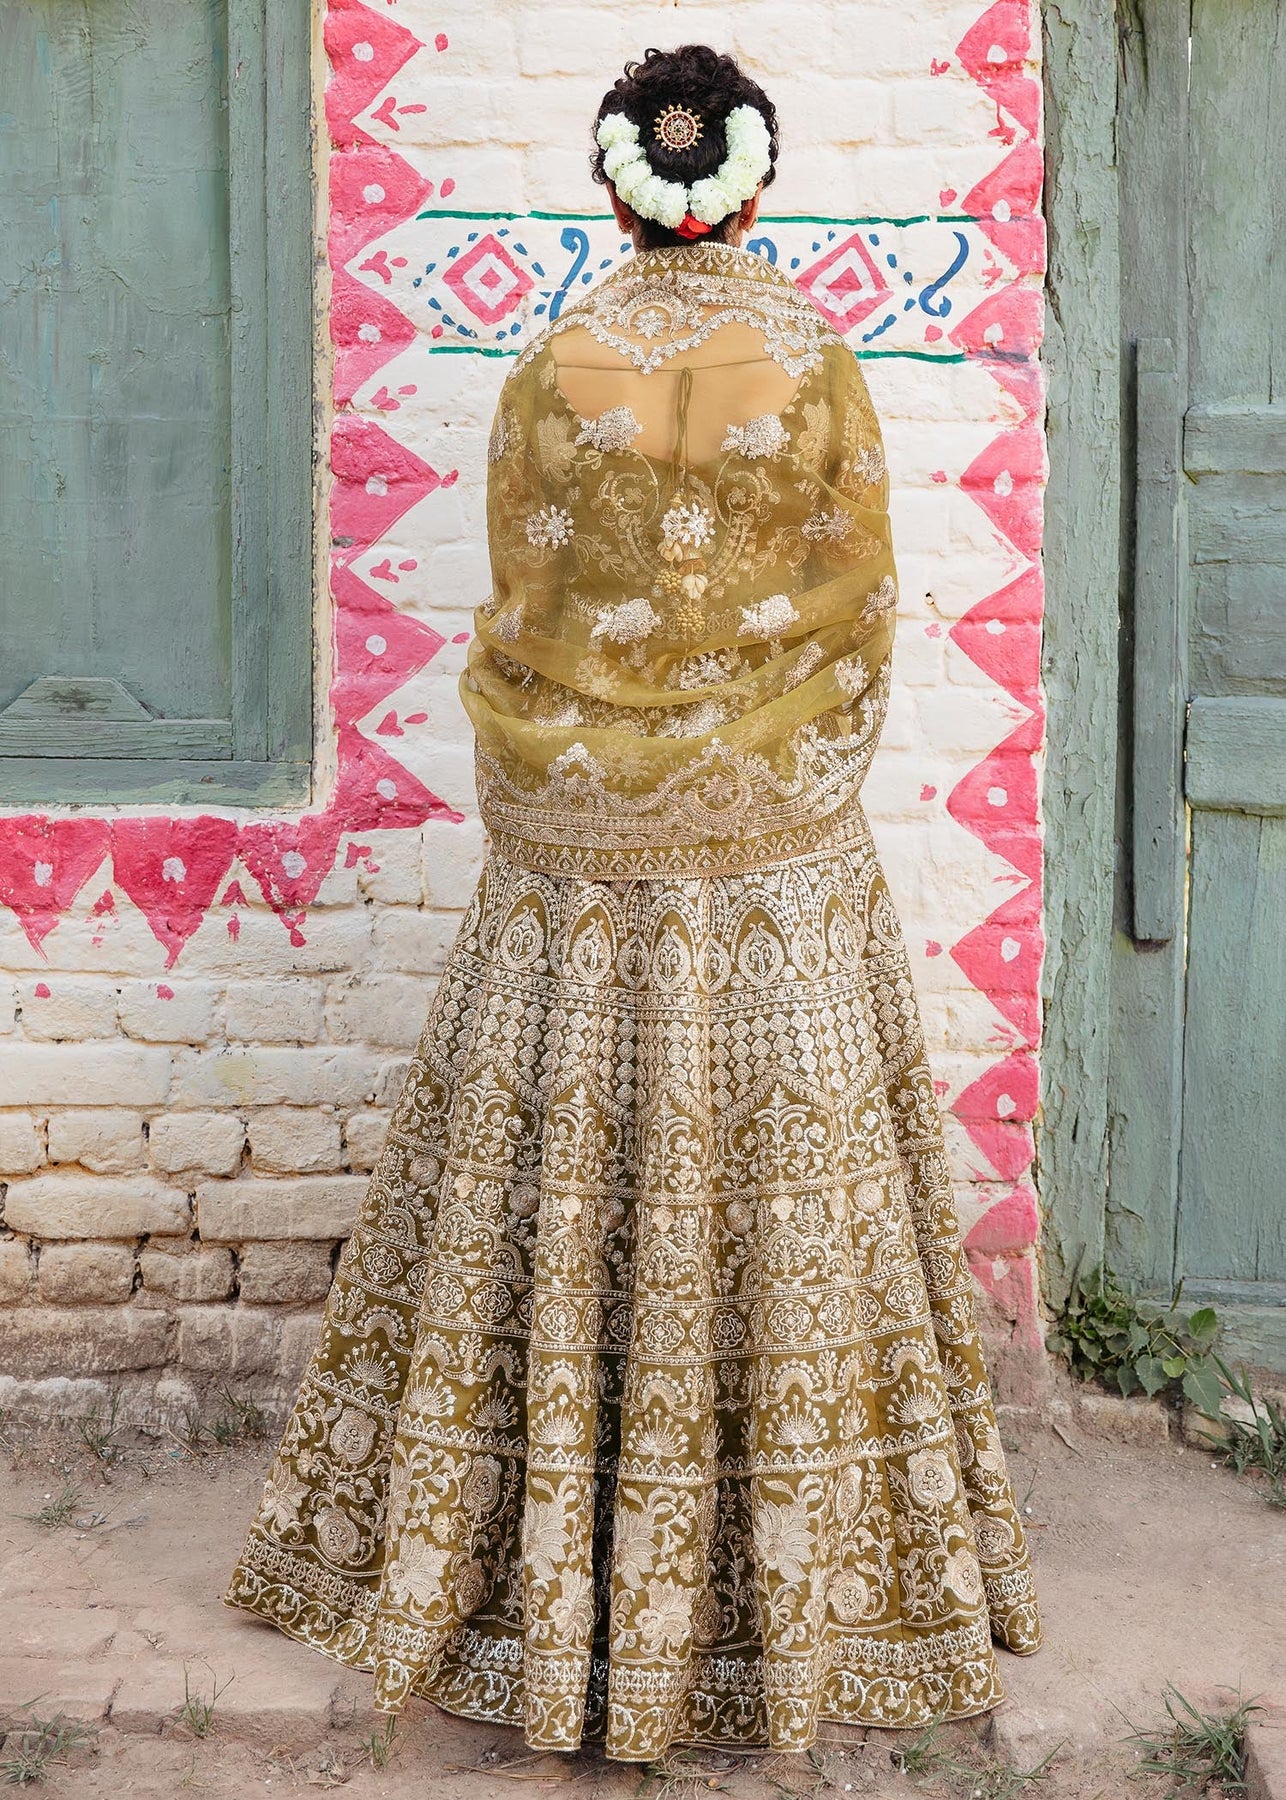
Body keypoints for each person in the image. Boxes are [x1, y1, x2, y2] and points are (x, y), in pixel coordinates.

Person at [226, 43, 1041, 1763]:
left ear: (614, 190)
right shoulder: (813, 362)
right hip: (773, 857)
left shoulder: (550, 364)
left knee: (561, 1183)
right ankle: (805, 1595)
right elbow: (855, 604)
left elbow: (526, 598)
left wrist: (595, 767)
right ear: (756, 186)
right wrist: (769, 771)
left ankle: (527, 1578)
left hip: (578, 852)